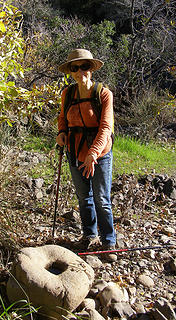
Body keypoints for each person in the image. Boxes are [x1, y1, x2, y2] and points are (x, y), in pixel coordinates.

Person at [56, 48, 117, 262]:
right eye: (75, 67)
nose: (80, 71)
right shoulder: (68, 94)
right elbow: (63, 117)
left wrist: (93, 153)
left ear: (91, 69)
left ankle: (108, 242)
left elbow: (106, 127)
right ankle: (89, 235)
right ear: (71, 72)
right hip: (74, 150)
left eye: (84, 66)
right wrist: (61, 133)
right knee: (84, 198)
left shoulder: (103, 94)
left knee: (101, 198)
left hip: (100, 154)